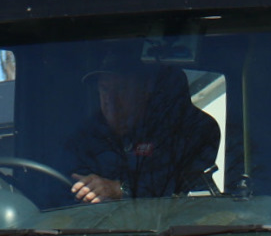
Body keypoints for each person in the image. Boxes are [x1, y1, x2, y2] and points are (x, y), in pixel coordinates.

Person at [67, 57, 220, 202]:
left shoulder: (179, 134)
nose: (111, 100)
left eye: (121, 89)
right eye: (105, 89)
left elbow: (170, 188)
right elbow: (66, 184)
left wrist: (120, 189)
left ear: (144, 91)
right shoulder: (86, 137)